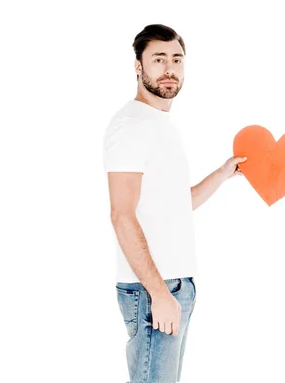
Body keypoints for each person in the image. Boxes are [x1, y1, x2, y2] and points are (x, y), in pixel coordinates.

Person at [103, 24, 245, 382]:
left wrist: (222, 173)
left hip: (176, 285)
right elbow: (121, 215)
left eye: (177, 59)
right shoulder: (131, 126)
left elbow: (176, 205)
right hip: (154, 289)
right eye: (158, 59)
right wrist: (158, 292)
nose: (170, 69)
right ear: (138, 66)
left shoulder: (159, 124)